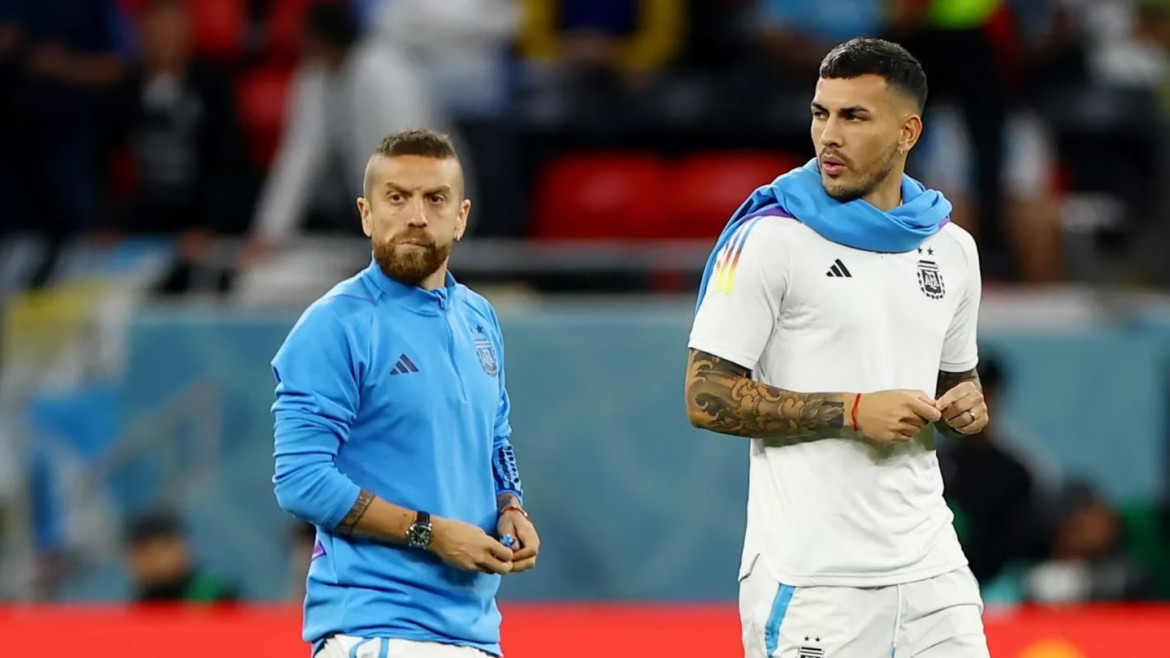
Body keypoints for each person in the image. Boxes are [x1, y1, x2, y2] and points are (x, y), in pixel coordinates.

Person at [684, 38, 990, 658]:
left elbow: (956, 383)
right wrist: (852, 411)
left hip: (933, 568)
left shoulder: (952, 247)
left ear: (908, 132)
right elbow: (706, 395)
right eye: (821, 113)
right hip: (814, 577)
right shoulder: (771, 238)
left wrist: (966, 409)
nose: (829, 134)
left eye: (854, 117)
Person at [270, 128, 539, 658]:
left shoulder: (479, 318)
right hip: (378, 630)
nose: (416, 215)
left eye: (434, 199)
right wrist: (431, 534)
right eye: (397, 197)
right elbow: (299, 481)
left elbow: (495, 436)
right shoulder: (334, 325)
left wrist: (512, 506)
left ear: (461, 216)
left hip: (476, 633)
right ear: (367, 213)